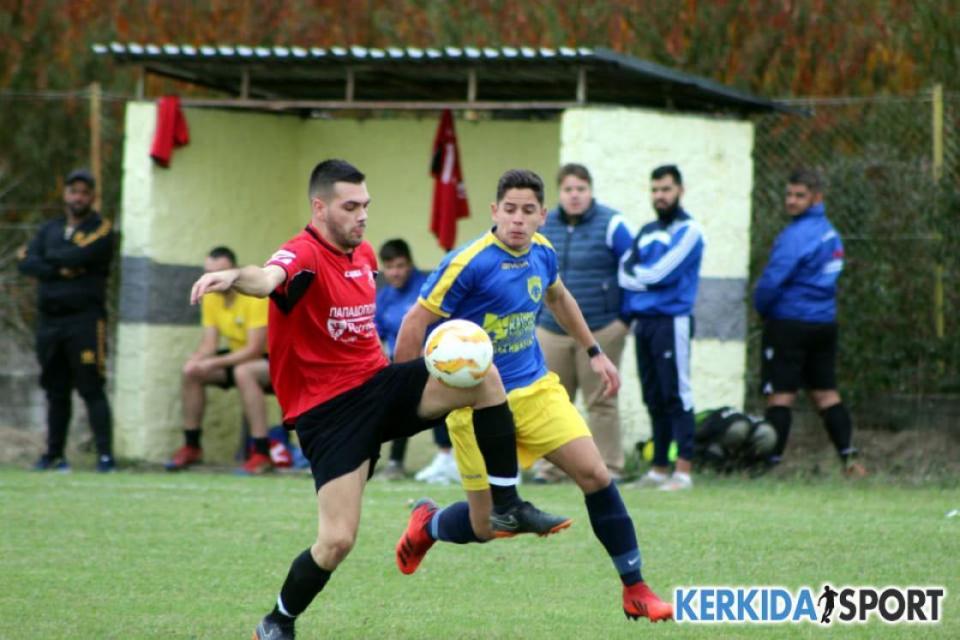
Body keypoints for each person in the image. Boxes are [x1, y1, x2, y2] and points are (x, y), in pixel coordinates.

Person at [188, 159, 568, 640]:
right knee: (336, 542)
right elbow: (267, 278)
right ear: (320, 208)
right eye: (350, 207)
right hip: (330, 415)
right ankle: (277, 622)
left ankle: (506, 504)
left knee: (483, 376)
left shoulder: (364, 254)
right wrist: (233, 278)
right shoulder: (301, 254)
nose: (361, 215)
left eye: (365, 205)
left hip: (378, 385)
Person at [393, 169, 674, 623]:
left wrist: (594, 351)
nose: (518, 220)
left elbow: (560, 299)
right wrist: (403, 396)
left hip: (535, 390)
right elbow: (414, 322)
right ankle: (428, 524)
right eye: (509, 210)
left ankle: (635, 587)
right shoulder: (469, 262)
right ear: (494, 211)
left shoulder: (542, 253)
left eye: (528, 211)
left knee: (597, 475)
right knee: (486, 528)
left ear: (543, 216)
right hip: (475, 408)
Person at [753, 168, 865, 476]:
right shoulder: (831, 232)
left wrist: (761, 307)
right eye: (789, 194)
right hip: (824, 324)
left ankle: (769, 464)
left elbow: (773, 280)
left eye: (799, 195)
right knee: (826, 393)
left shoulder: (796, 235)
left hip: (790, 322)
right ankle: (850, 459)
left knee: (780, 395)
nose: (791, 201)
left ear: (817, 197)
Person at [535, 163, 634, 483]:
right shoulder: (544, 226)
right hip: (551, 329)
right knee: (552, 402)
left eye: (581, 189)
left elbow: (635, 271)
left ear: (590, 191)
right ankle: (550, 470)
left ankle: (610, 468)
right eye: (568, 190)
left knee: (602, 401)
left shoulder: (613, 224)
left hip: (602, 327)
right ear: (559, 193)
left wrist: (624, 319)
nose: (575, 196)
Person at [17, 168, 116, 473]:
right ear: (65, 195)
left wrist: (51, 261)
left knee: (91, 387)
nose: (78, 197)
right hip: (49, 322)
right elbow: (26, 260)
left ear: (92, 197)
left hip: (84, 321)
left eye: (84, 192)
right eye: (74, 191)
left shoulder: (100, 228)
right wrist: (60, 266)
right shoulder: (49, 229)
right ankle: (54, 454)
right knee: (55, 389)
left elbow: (81, 256)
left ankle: (105, 457)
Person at [620, 165, 704, 491]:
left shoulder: (690, 230)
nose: (660, 196)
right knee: (653, 394)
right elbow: (622, 274)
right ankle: (658, 470)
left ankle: (683, 471)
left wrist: (643, 278)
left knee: (676, 393)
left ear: (680, 190)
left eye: (666, 189)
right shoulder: (645, 231)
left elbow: (659, 274)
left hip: (674, 321)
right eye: (655, 189)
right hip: (645, 324)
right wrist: (646, 278)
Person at [165, 246, 275, 475]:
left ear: (233, 272)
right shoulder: (212, 296)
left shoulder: (255, 298)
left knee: (245, 372)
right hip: (239, 358)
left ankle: (261, 453)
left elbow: (254, 349)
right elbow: (209, 345)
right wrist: (197, 360)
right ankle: (192, 446)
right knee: (191, 372)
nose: (213, 279)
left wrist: (212, 363)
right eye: (208, 273)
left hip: (275, 359)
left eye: (219, 272)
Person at [373, 239, 458, 484]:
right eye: (390, 267)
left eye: (401, 266)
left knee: (432, 398)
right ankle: (391, 462)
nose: (396, 272)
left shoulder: (426, 289)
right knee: (392, 400)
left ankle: (447, 457)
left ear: (410, 264)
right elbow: (375, 335)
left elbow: (442, 324)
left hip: (432, 360)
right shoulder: (384, 297)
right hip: (396, 365)